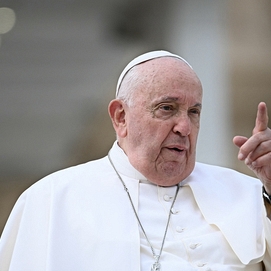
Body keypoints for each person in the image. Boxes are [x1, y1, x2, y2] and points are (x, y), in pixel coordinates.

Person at [0, 50, 271, 271]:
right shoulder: (50, 200)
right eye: (167, 108)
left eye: (194, 111)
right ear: (120, 117)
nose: (185, 127)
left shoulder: (248, 194)